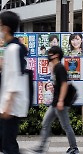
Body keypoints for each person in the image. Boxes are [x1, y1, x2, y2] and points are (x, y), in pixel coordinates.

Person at [30, 46, 79, 154]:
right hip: (55, 103)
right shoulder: (56, 67)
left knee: (66, 125)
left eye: (51, 53)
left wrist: (61, 100)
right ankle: (41, 147)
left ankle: (74, 148)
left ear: (56, 55)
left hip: (61, 103)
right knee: (46, 123)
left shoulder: (60, 68)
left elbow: (64, 85)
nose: (49, 55)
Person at [0, 11, 29, 154]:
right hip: (8, 105)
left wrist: (7, 106)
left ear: (5, 28)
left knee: (9, 146)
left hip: (10, 106)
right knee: (6, 144)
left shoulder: (13, 48)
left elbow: (15, 80)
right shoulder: (13, 47)